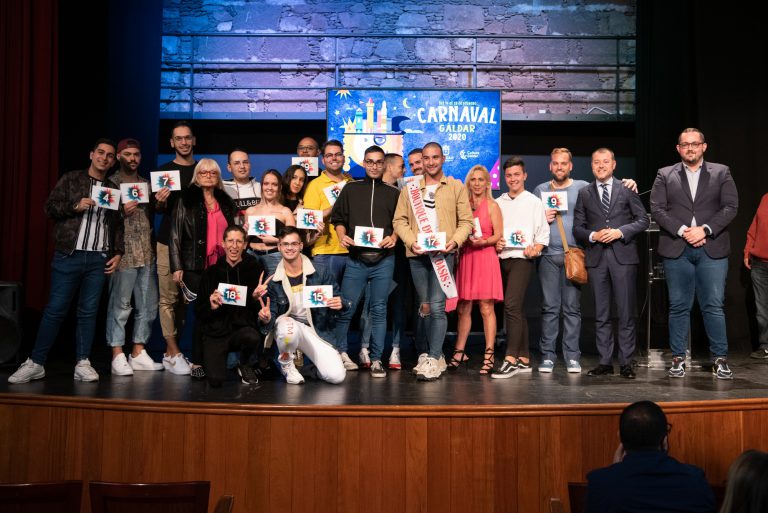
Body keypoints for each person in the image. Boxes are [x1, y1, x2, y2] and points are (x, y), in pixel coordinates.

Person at [9, 139, 123, 384]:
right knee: (54, 311)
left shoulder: (113, 189)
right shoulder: (72, 179)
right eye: (101, 153)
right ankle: (36, 362)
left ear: (114, 161)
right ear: (92, 154)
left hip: (98, 258)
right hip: (69, 255)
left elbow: (116, 225)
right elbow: (49, 207)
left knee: (88, 313)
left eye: (110, 155)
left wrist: (118, 252)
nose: (104, 158)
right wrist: (75, 205)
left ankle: (82, 362)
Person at [532, 148, 638, 374]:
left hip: (580, 255)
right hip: (556, 256)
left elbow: (637, 217)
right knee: (557, 309)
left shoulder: (587, 187)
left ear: (571, 166)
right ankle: (557, 357)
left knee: (580, 309)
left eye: (564, 163)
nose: (559, 167)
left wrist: (630, 184)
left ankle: (586, 358)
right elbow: (532, 221)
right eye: (555, 163)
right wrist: (541, 216)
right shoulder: (546, 190)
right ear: (550, 166)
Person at [650, 128, 738, 379]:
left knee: (713, 306)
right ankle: (678, 358)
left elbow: (730, 206)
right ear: (678, 148)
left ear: (703, 147)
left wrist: (705, 230)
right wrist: (682, 230)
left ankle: (720, 359)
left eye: (695, 144)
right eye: (685, 145)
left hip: (712, 247)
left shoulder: (721, 172)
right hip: (677, 248)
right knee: (678, 306)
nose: (690, 148)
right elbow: (657, 208)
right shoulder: (665, 174)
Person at [393, 142, 473, 381]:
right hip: (417, 255)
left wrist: (455, 242)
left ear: (443, 158)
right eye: (426, 158)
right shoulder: (410, 189)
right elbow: (400, 221)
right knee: (425, 307)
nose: (430, 162)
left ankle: (435, 357)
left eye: (435, 157)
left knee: (437, 307)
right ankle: (430, 355)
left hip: (443, 255)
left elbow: (466, 222)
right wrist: (410, 242)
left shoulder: (456, 187)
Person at [573, 148, 648, 379]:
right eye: (597, 162)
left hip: (623, 258)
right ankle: (605, 361)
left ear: (614, 164)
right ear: (592, 165)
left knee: (625, 312)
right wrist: (594, 236)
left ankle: (626, 362)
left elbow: (643, 220)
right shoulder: (585, 193)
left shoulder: (626, 189)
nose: (601, 166)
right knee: (601, 313)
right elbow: (578, 228)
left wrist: (619, 232)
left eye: (605, 162)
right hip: (597, 259)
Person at [331, 145, 400, 376]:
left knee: (379, 310)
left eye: (379, 162)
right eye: (370, 162)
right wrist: (342, 236)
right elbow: (338, 217)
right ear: (363, 162)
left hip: (384, 260)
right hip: (356, 259)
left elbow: (401, 222)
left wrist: (394, 237)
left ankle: (377, 359)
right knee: (346, 307)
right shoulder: (351, 189)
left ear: (384, 165)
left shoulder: (394, 193)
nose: (374, 166)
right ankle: (340, 353)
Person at [169, 158, 236, 379]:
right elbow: (175, 234)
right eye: (203, 172)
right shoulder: (185, 199)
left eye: (213, 173)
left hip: (221, 266)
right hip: (194, 266)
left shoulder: (226, 201)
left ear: (218, 177)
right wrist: (176, 266)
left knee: (222, 311)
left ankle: (216, 359)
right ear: (196, 176)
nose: (208, 175)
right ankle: (197, 361)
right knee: (203, 312)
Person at [585, 401, 715, 513]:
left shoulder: (599, 484)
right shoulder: (695, 481)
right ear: (664, 440)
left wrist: (615, 471)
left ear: (620, 439)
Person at [103, 138, 163, 375]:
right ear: (118, 156)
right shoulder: (110, 183)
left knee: (148, 306)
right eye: (127, 154)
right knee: (120, 305)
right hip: (123, 254)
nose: (132, 158)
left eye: (136, 154)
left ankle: (138, 351)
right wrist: (120, 211)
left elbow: (153, 215)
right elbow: (102, 219)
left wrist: (161, 203)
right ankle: (117, 353)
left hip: (146, 253)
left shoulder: (146, 184)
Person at [259, 227, 348, 385]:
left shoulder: (320, 271)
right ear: (279, 247)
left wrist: (340, 303)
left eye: (294, 243)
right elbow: (271, 314)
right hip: (289, 328)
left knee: (336, 377)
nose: (290, 248)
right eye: (285, 244)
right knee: (287, 326)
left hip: (316, 330)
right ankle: (287, 365)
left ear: (301, 246)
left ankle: (312, 369)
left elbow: (340, 298)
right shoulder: (273, 280)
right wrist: (266, 318)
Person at [490, 158, 549, 378]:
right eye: (509, 175)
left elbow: (543, 234)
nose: (513, 179)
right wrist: (496, 241)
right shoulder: (499, 201)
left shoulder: (533, 202)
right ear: (504, 178)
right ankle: (524, 358)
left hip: (523, 259)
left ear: (524, 176)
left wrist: (537, 248)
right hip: (502, 258)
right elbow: (494, 232)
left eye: (517, 174)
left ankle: (510, 359)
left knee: (511, 306)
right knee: (517, 309)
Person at [195, 225, 270, 387]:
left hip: (241, 331)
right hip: (215, 334)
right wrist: (211, 306)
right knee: (215, 381)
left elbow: (256, 309)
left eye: (238, 242)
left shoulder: (255, 270)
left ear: (244, 245)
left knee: (252, 336)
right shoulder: (210, 273)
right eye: (230, 241)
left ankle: (244, 364)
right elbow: (199, 312)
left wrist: (255, 299)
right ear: (223, 243)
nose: (234, 246)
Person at [449, 165, 503, 375]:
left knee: (486, 307)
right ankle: (459, 351)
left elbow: (498, 234)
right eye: (474, 179)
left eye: (481, 179)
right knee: (463, 307)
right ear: (468, 182)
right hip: (466, 257)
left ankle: (489, 355)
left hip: (485, 256)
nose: (478, 183)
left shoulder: (492, 205)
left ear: (487, 183)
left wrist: (484, 242)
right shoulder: (462, 205)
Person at [358, 152, 407, 370]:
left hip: (397, 258)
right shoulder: (365, 190)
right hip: (371, 258)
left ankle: (395, 349)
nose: (404, 171)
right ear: (388, 167)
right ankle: (365, 348)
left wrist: (395, 237)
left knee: (397, 305)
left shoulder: (402, 194)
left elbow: (404, 224)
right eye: (400, 167)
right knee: (371, 305)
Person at [155, 121, 198, 374]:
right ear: (172, 143)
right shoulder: (163, 173)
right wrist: (160, 202)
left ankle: (174, 353)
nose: (183, 142)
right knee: (168, 299)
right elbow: (158, 210)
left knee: (186, 301)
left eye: (187, 138)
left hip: (193, 245)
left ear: (194, 141)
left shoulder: (202, 170)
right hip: (166, 243)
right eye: (178, 138)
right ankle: (173, 351)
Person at [302, 139, 353, 285]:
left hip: (352, 250)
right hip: (325, 251)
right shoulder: (314, 185)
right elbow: (309, 220)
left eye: (338, 154)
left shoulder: (352, 183)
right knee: (326, 301)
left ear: (343, 158)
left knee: (348, 302)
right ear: (323, 160)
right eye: (329, 155)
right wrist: (336, 205)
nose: (334, 158)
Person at [243, 169, 296, 276]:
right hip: (251, 256)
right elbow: (244, 241)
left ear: (280, 187)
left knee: (277, 290)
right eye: (266, 184)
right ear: (262, 186)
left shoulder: (285, 212)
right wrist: (246, 234)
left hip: (275, 256)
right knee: (252, 291)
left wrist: (276, 240)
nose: (270, 188)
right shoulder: (250, 211)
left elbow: (293, 241)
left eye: (274, 184)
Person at [744, 193, 768, 359]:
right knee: (762, 309)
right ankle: (765, 346)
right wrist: (748, 251)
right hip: (760, 263)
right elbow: (754, 227)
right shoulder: (766, 198)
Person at [222, 148, 261, 224]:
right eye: (237, 163)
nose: (242, 166)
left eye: (245, 162)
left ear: (250, 165)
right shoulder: (222, 190)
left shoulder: (261, 187)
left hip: (257, 234)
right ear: (229, 167)